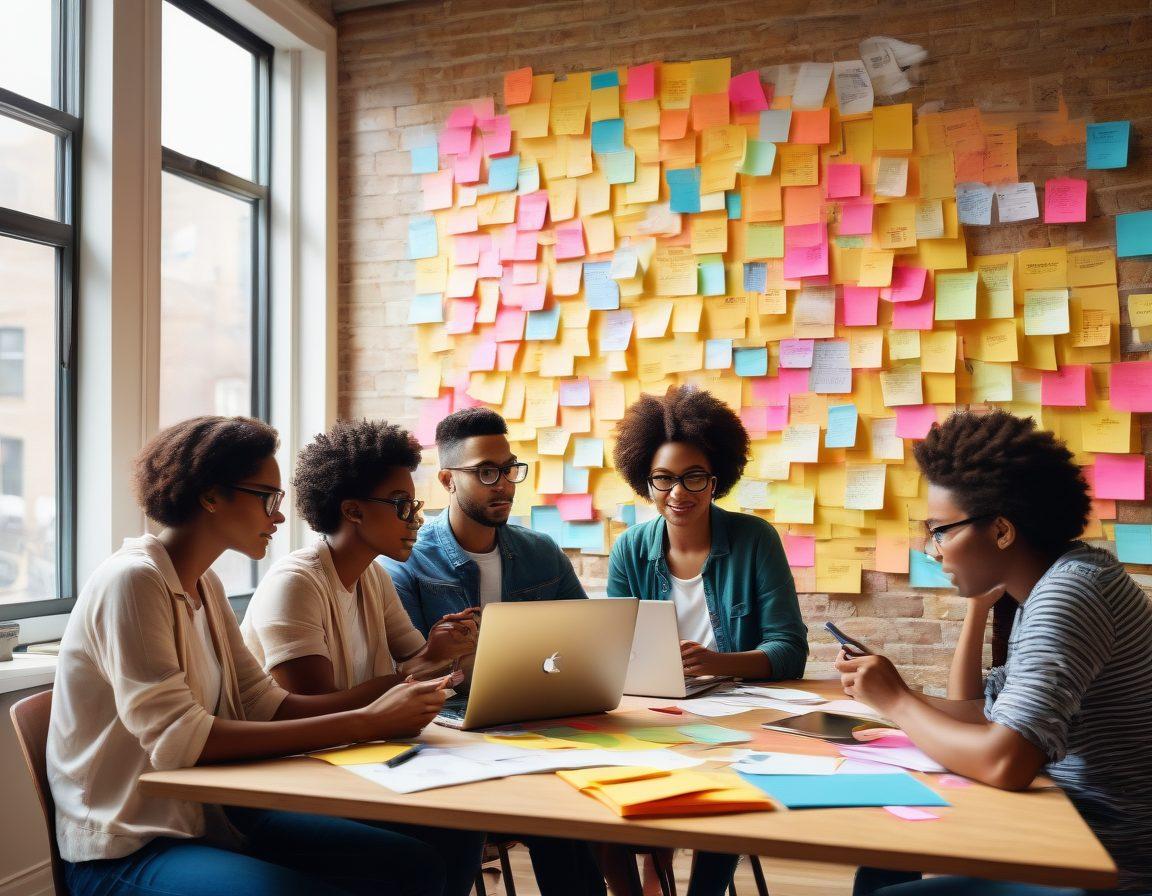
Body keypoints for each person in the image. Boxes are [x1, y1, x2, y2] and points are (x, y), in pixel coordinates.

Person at [48, 416, 457, 896]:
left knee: (415, 864)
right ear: (211, 496)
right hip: (130, 845)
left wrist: (383, 708)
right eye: (267, 498)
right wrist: (368, 721)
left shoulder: (205, 583)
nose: (279, 517)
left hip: (212, 820)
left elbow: (265, 703)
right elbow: (182, 740)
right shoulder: (133, 581)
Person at [840, 410, 1152, 896]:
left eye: (940, 529)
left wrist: (897, 703)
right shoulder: (1061, 580)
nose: (934, 549)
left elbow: (1006, 762)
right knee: (883, 858)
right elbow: (986, 716)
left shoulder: (1068, 595)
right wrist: (883, 695)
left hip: (1102, 856)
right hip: (1060, 824)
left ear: (1002, 531)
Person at [242, 419, 484, 896]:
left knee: (464, 824)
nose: (414, 519)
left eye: (413, 505)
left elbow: (414, 665)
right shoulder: (297, 583)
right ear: (351, 510)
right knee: (418, 860)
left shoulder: (374, 576)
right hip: (286, 782)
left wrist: (441, 651)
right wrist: (418, 671)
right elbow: (317, 708)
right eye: (400, 505)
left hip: (354, 765)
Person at [384, 406, 606, 896]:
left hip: (536, 718)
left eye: (509, 469)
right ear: (446, 479)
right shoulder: (405, 561)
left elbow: (590, 641)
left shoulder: (541, 552)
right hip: (446, 728)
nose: (503, 483)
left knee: (568, 803)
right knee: (550, 803)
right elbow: (403, 672)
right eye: (486, 471)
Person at [605, 385, 809, 896]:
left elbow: (790, 651)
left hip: (740, 711)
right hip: (655, 712)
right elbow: (610, 649)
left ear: (716, 479)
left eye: (694, 477)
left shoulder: (754, 539)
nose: (679, 493)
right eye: (664, 479)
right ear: (645, 482)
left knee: (723, 787)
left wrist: (719, 662)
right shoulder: (629, 549)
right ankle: (650, 876)